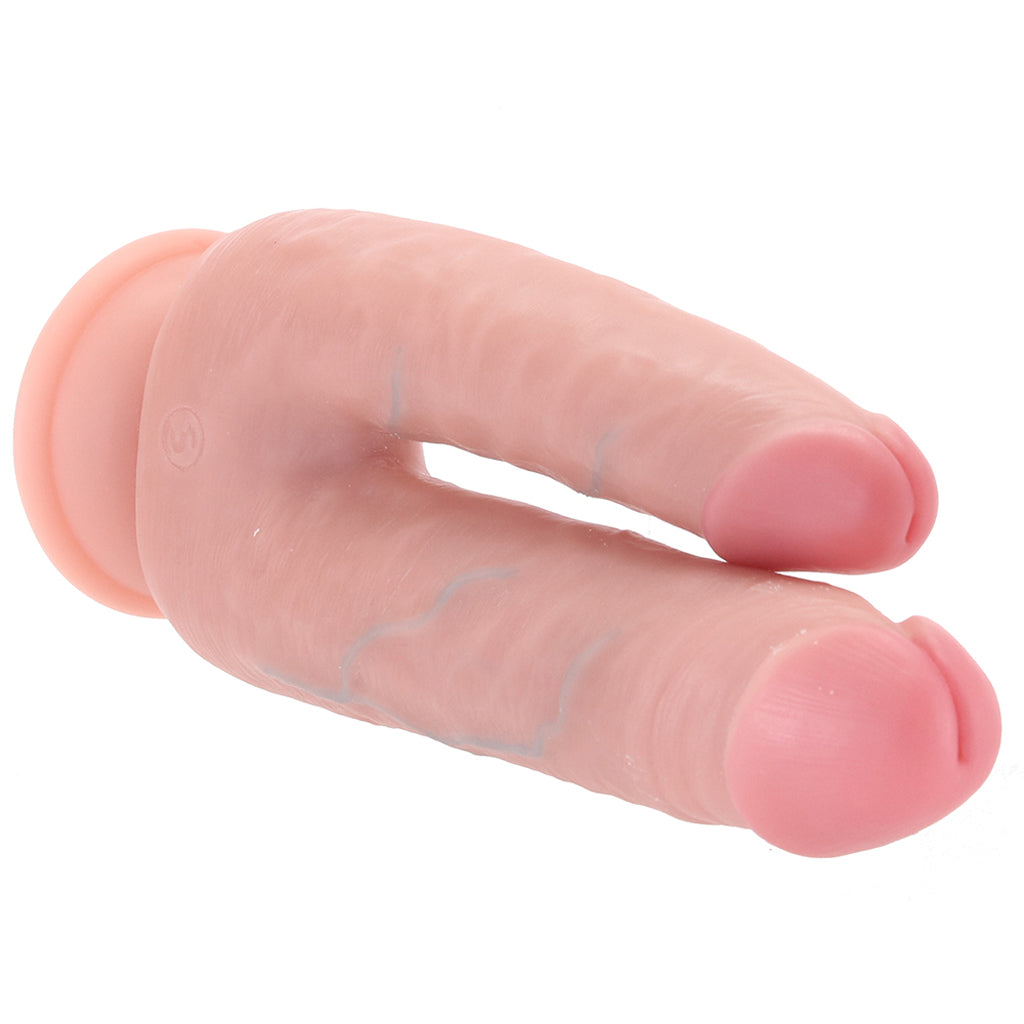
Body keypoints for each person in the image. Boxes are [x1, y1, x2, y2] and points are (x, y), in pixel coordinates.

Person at [14, 209, 1001, 858]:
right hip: (248, 396)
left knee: (545, 641)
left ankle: (761, 652)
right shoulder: (270, 281)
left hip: (229, 511)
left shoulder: (221, 586)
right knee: (534, 369)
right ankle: (758, 475)